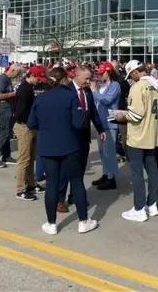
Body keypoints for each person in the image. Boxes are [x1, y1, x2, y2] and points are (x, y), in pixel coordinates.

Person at [28, 67, 98, 236]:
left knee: (52, 183)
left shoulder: (41, 98)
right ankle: (83, 221)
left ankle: (51, 223)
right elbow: (79, 122)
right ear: (64, 79)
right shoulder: (71, 96)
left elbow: (31, 123)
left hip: (47, 146)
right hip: (69, 145)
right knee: (76, 181)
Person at [115, 60, 158, 223]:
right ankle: (152, 204)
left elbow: (136, 115)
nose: (131, 78)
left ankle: (139, 208)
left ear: (135, 72)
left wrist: (121, 116)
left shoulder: (138, 87)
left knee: (136, 172)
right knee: (152, 169)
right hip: (153, 133)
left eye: (131, 75)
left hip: (138, 135)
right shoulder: (157, 85)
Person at [58, 65, 105, 212]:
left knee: (80, 168)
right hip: (69, 135)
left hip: (84, 135)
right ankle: (60, 199)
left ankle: (75, 195)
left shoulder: (87, 91)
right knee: (66, 168)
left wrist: (100, 129)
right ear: (76, 76)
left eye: (89, 78)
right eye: (86, 78)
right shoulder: (66, 91)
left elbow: (93, 112)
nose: (88, 81)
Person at [13, 65, 44, 201]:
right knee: (24, 159)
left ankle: (31, 183)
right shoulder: (25, 90)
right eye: (38, 77)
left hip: (29, 126)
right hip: (24, 126)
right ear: (31, 75)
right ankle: (21, 189)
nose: (39, 80)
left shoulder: (29, 88)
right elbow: (20, 112)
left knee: (32, 157)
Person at [91, 62, 121, 191]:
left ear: (109, 72)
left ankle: (111, 178)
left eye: (102, 73)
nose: (100, 75)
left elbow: (106, 100)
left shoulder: (115, 85)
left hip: (109, 122)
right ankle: (105, 173)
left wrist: (94, 91)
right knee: (103, 151)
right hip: (101, 122)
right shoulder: (103, 86)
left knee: (109, 151)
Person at [0, 65, 21, 166]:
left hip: (8, 107)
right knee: (3, 133)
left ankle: (6, 155)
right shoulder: (2, 79)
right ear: (12, 70)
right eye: (17, 74)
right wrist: (14, 94)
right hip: (3, 107)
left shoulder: (7, 79)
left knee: (8, 133)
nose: (17, 76)